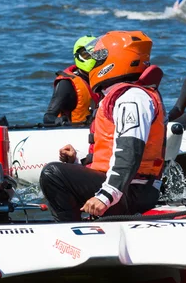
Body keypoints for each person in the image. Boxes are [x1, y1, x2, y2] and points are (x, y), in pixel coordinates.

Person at [39, 31, 166, 221]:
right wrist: (78, 159)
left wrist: (106, 196)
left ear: (117, 59)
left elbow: (130, 151)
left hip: (133, 192)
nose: (95, 62)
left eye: (99, 57)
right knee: (62, 171)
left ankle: (68, 231)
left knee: (53, 174)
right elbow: (112, 152)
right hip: (127, 188)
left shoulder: (132, 98)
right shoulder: (123, 95)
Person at [42, 35, 102, 125]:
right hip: (75, 133)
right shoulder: (66, 84)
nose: (92, 58)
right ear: (77, 56)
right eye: (86, 55)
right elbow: (48, 117)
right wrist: (59, 121)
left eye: (95, 54)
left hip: (100, 132)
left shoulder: (105, 79)